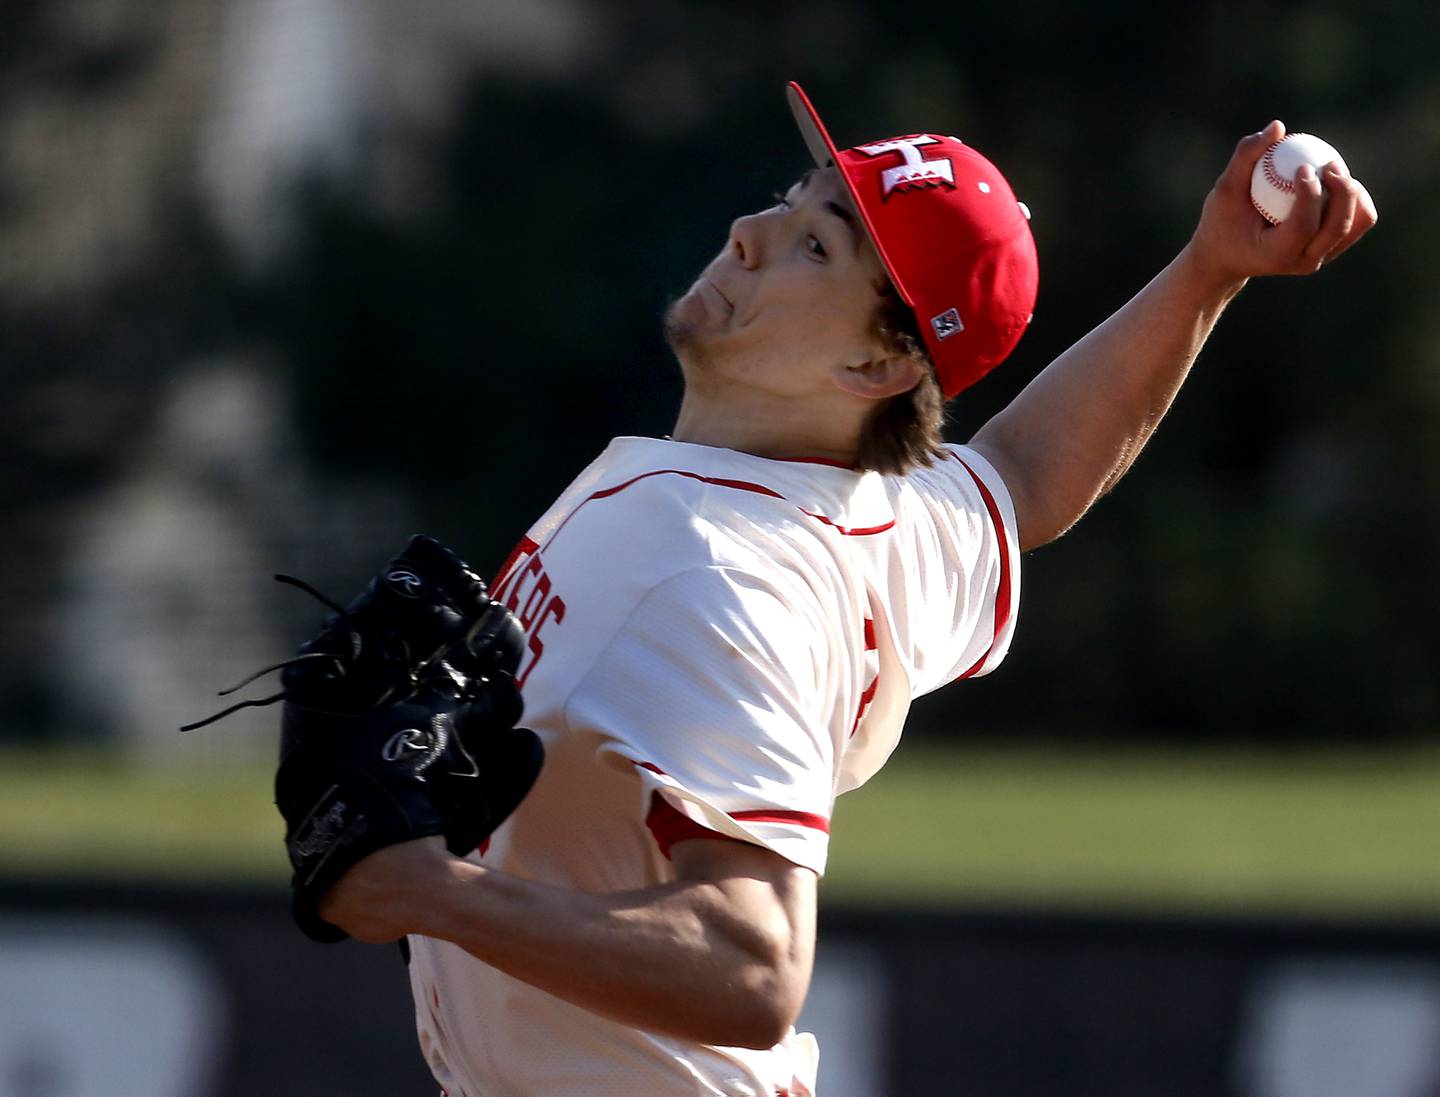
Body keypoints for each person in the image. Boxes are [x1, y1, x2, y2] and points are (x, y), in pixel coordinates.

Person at [317, 82, 1376, 1095]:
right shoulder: (871, 510)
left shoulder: (719, 581)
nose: (748, 231)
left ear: (878, 369)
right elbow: (1023, 477)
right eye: (793, 204)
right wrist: (1208, 270)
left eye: (816, 245)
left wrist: (431, 891)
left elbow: (752, 962)